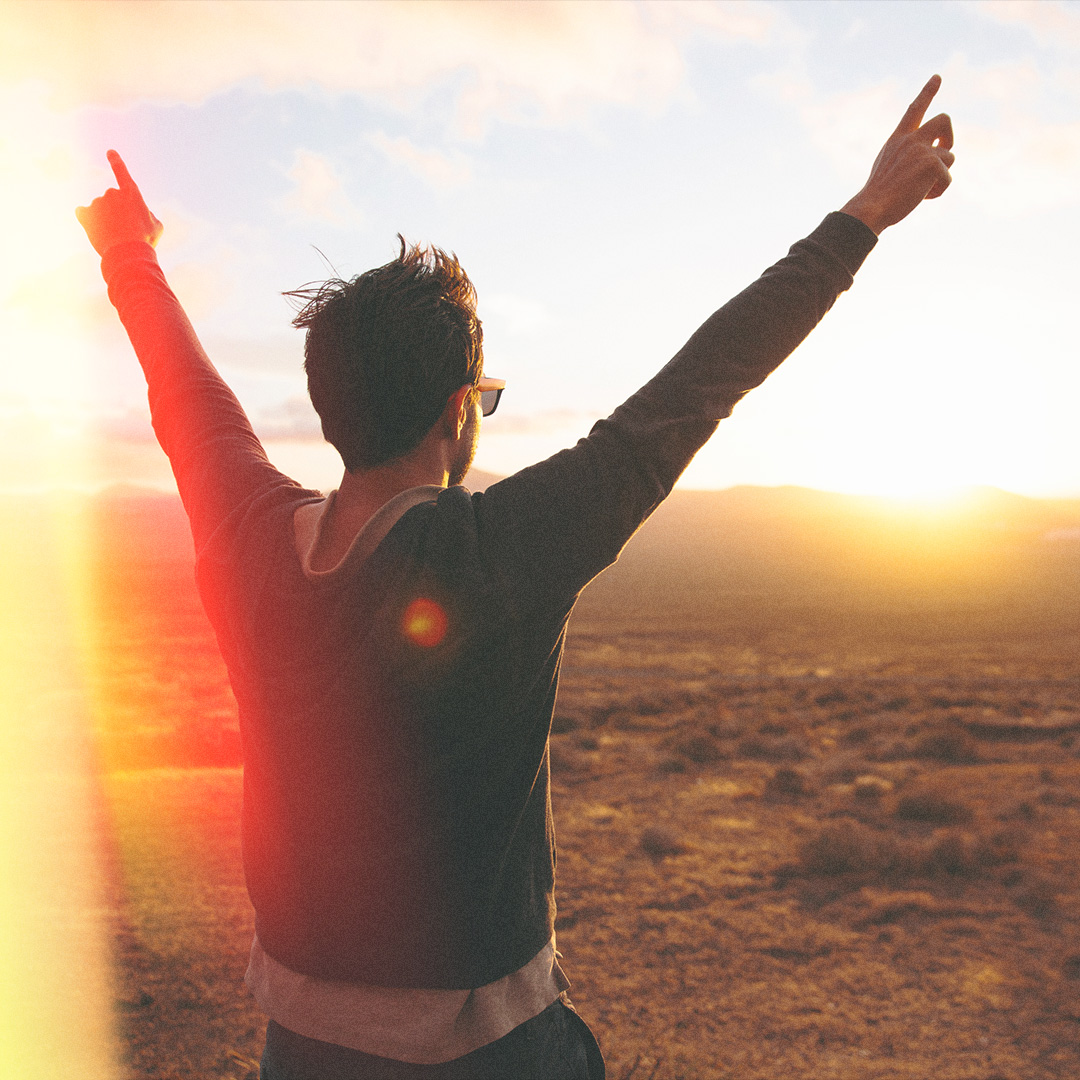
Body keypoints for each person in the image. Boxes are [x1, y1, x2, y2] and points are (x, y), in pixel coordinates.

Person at [77, 75, 954, 1080]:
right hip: (488, 1051)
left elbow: (184, 389)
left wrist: (127, 256)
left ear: (329, 405)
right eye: (485, 399)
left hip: (301, 1047)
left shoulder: (243, 535)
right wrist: (863, 218)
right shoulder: (500, 553)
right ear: (458, 412)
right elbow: (704, 382)